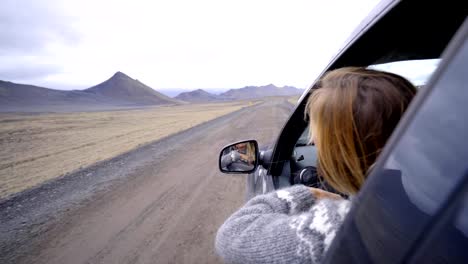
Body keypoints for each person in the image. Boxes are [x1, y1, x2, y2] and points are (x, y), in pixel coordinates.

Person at [215, 67, 417, 263]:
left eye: (319, 135)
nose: (312, 141)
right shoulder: (415, 206)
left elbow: (231, 236)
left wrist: (307, 193)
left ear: (345, 147)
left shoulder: (344, 225)